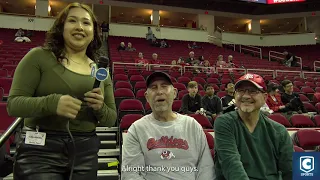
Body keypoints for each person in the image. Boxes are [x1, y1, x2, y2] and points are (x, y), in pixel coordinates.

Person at [7, 3, 117, 180]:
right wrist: (52, 103)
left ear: (93, 32)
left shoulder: (100, 70)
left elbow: (111, 119)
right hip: (40, 152)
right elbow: (13, 105)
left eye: (86, 23)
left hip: (85, 152)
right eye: (72, 21)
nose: (80, 27)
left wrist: (100, 107)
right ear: (61, 27)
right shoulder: (38, 57)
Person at [121, 72, 215, 180]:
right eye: (154, 87)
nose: (159, 92)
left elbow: (206, 168)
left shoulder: (192, 125)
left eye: (164, 86)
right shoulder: (137, 129)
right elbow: (130, 173)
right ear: (146, 96)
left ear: (174, 93)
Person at [214, 73, 293, 180]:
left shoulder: (279, 131)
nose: (246, 96)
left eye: (253, 91)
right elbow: (231, 164)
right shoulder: (224, 122)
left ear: (265, 97)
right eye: (241, 91)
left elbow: (290, 170)